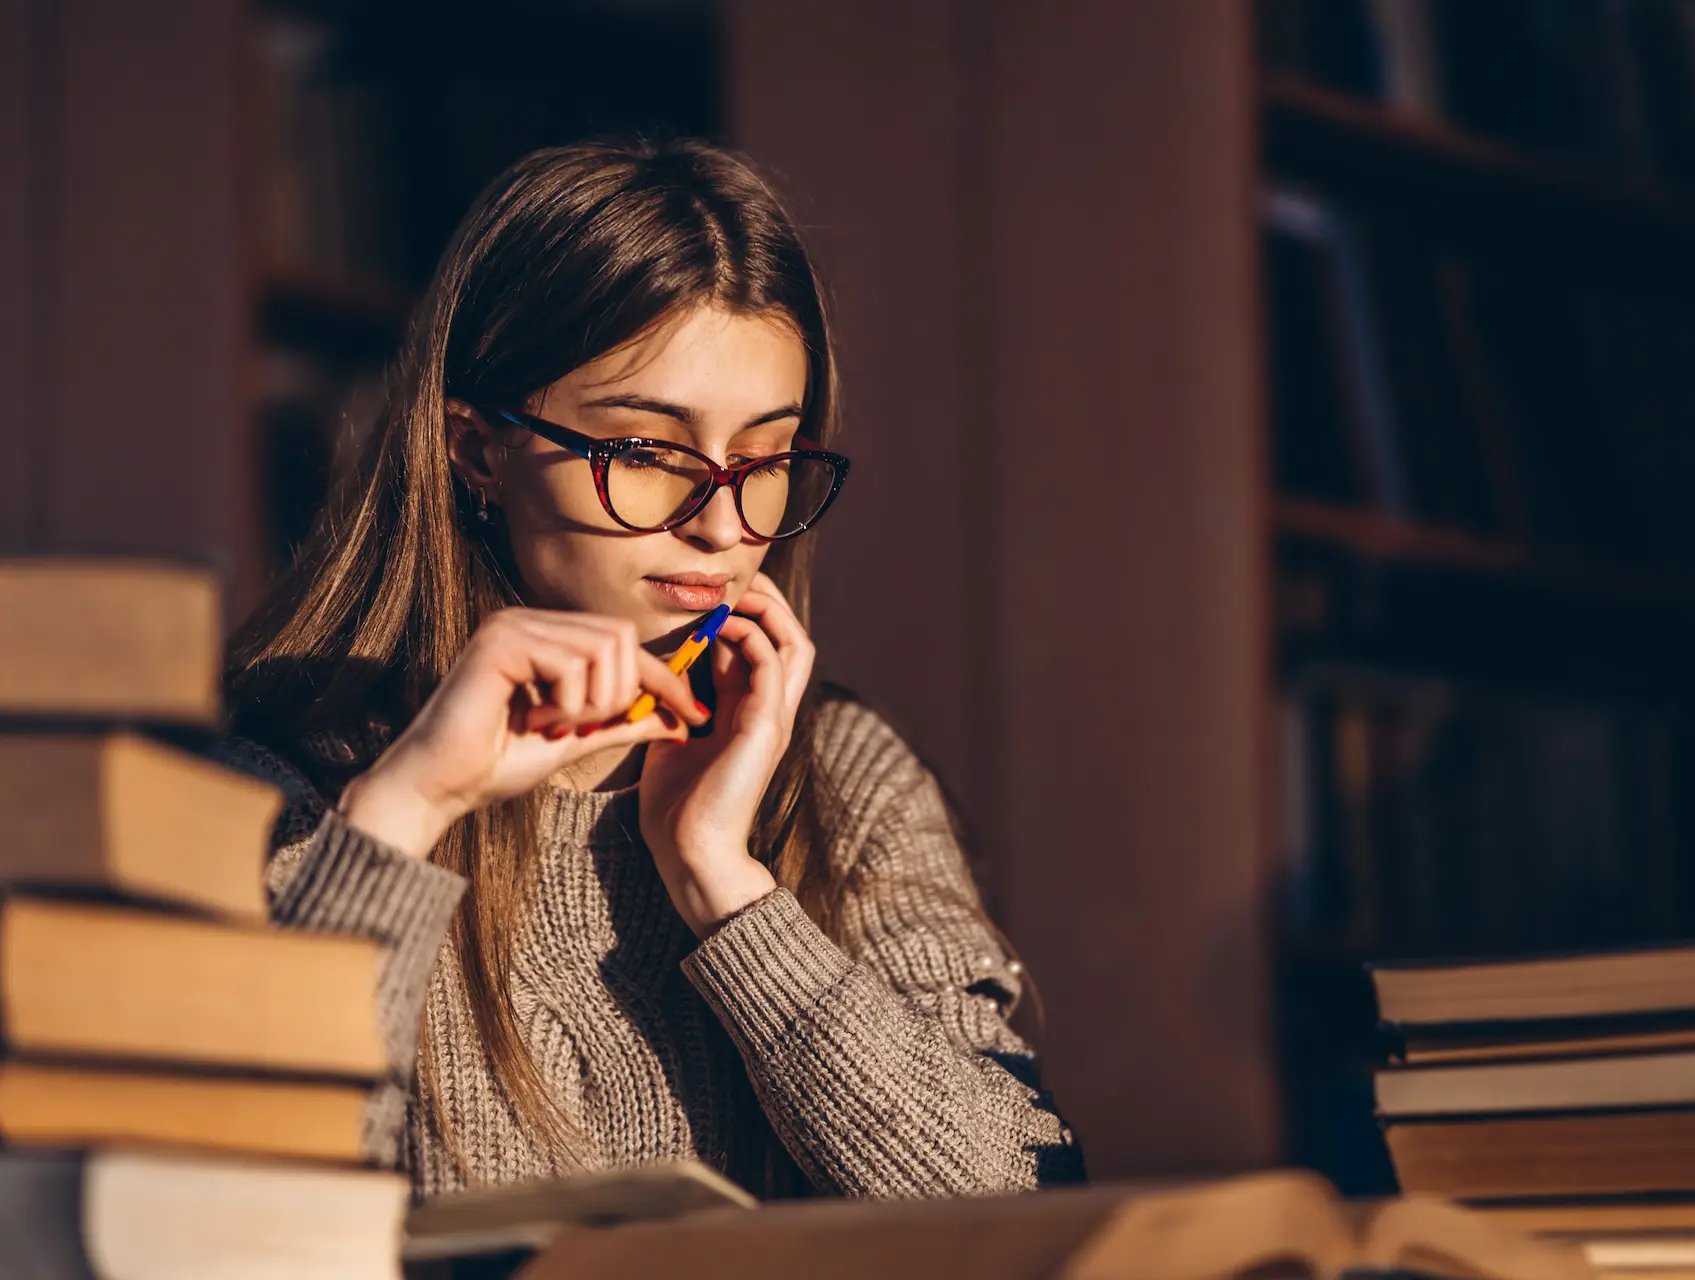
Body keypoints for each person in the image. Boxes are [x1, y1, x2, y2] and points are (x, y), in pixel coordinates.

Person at [213, 134, 1085, 1202]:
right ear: (478, 449)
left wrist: (725, 882)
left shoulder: (838, 771)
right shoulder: (264, 782)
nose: (722, 522)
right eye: (645, 453)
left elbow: (1025, 1202)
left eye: (764, 461)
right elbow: (215, 1206)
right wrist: (400, 812)